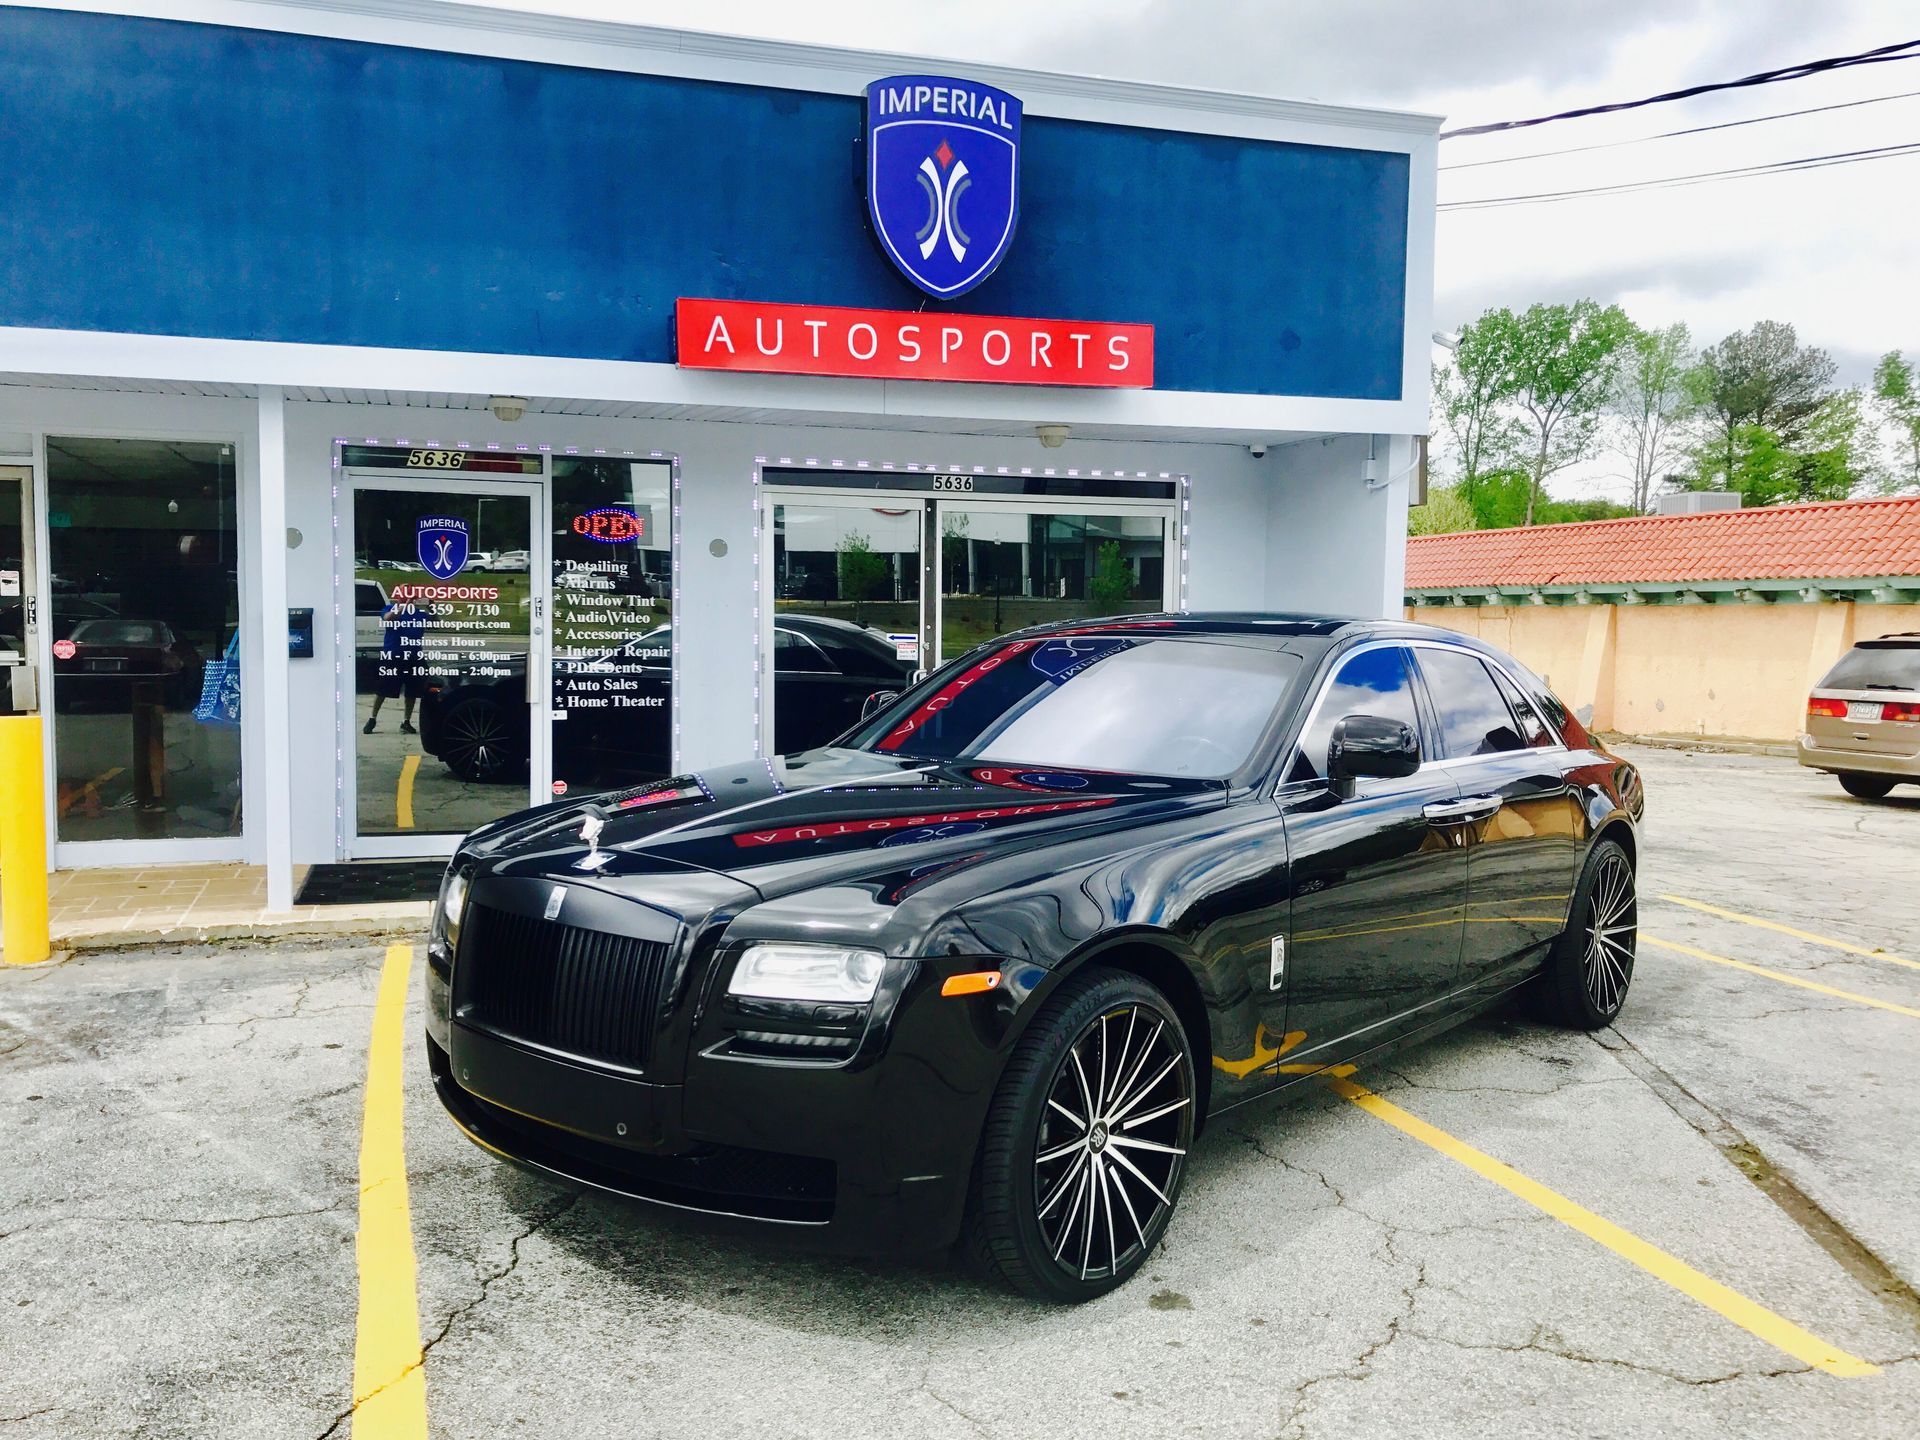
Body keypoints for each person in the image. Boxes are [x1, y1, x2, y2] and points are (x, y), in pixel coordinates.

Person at [365, 599, 427, 734]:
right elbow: (388, 619)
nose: (409, 599)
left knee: (412, 691)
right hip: (393, 655)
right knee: (383, 689)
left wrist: (432, 607)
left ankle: (406, 721)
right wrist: (402, 606)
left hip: (413, 656)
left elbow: (435, 623)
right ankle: (372, 718)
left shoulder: (420, 613)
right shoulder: (390, 608)